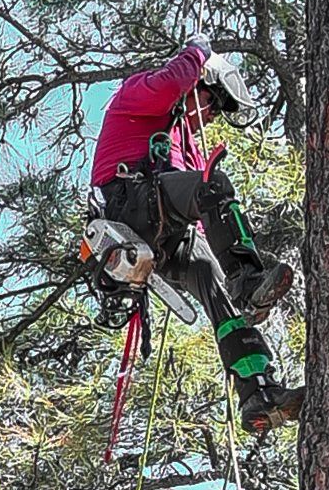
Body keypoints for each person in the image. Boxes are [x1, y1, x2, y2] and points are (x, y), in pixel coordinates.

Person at [90, 35, 303, 433]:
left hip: (165, 230)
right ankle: (246, 277)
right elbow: (171, 83)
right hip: (132, 202)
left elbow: (205, 216)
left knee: (214, 282)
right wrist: (198, 53)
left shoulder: (186, 145)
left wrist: (232, 271)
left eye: (219, 111)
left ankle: (258, 392)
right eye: (211, 102)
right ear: (197, 85)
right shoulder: (138, 95)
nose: (211, 115)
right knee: (213, 184)